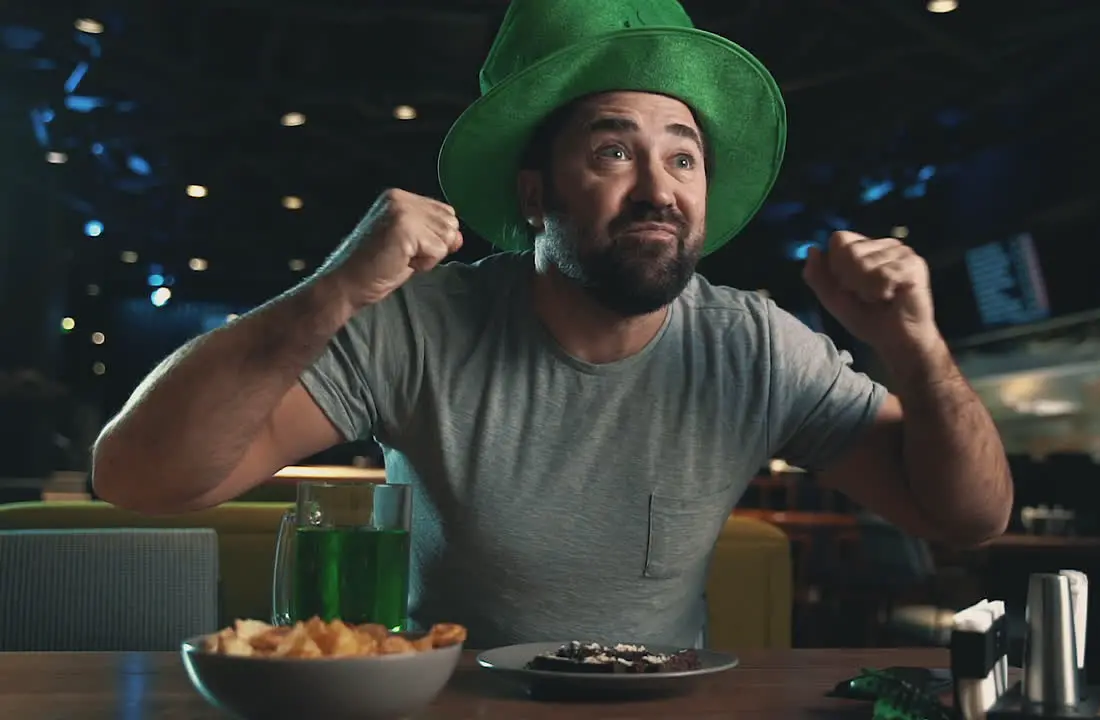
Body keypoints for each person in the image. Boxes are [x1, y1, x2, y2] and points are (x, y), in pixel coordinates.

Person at [91, 0, 1012, 648]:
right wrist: (333, 289)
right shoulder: (421, 327)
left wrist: (916, 348)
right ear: (534, 196)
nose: (659, 189)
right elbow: (142, 479)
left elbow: (965, 520)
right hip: (449, 705)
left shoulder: (756, 345)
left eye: (683, 159)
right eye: (615, 150)